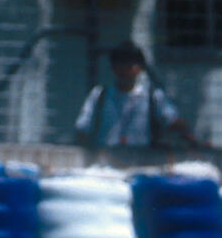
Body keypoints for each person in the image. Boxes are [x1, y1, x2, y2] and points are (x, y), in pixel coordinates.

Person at [73, 41, 205, 157]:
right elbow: (83, 128)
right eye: (120, 64)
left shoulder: (153, 96)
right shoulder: (99, 95)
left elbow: (173, 121)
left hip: (143, 161)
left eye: (130, 65)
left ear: (139, 69)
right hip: (105, 162)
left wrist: (190, 137)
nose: (124, 70)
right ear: (113, 67)